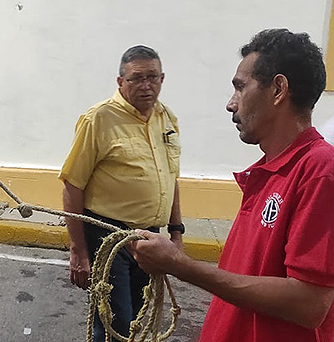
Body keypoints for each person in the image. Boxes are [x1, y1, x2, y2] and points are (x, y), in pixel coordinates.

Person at [130, 28, 334, 342]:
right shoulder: (269, 172)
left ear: (278, 89)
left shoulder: (320, 170)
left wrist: (181, 265)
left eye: (240, 88)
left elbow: (309, 304)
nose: (231, 104)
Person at [58, 45, 184, 341]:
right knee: (116, 327)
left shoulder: (167, 118)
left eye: (153, 77)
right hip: (109, 240)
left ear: (162, 78)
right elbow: (72, 185)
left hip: (150, 238)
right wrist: (78, 251)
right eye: (137, 78)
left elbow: (171, 177)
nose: (146, 86)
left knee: (140, 322)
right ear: (120, 82)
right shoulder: (98, 119)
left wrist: (176, 233)